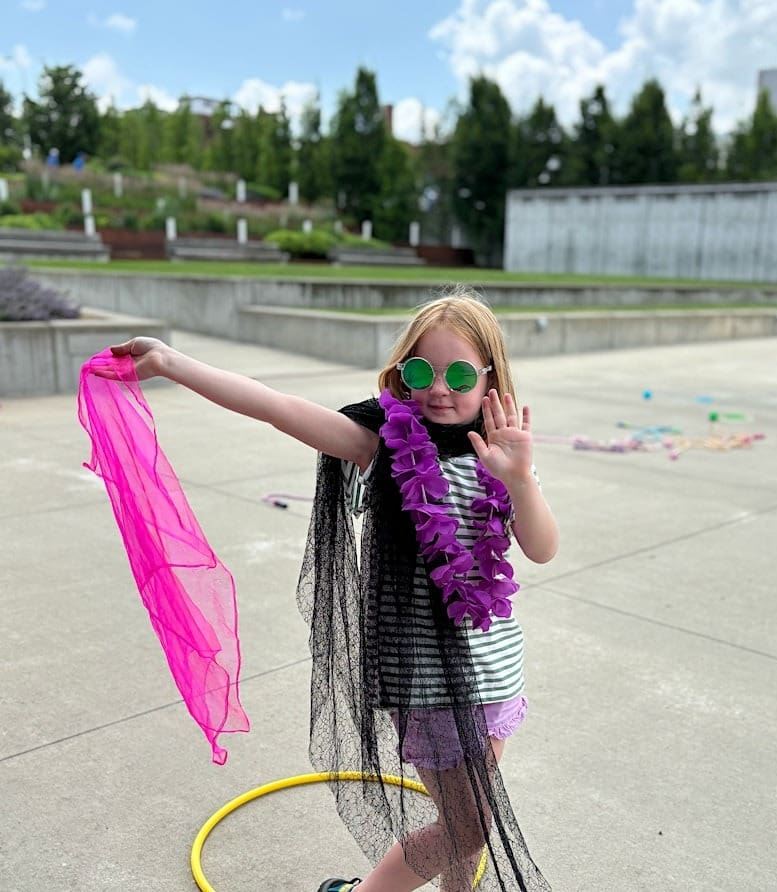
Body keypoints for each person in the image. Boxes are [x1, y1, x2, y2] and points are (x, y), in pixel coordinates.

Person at [109, 288, 559, 892]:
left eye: (458, 373)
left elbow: (542, 547)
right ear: (402, 376)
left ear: (490, 379)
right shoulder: (383, 445)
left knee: (464, 823)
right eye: (421, 371)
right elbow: (276, 405)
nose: (439, 389)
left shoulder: (505, 456)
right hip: (423, 679)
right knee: (470, 827)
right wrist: (168, 362)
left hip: (496, 672)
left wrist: (521, 479)